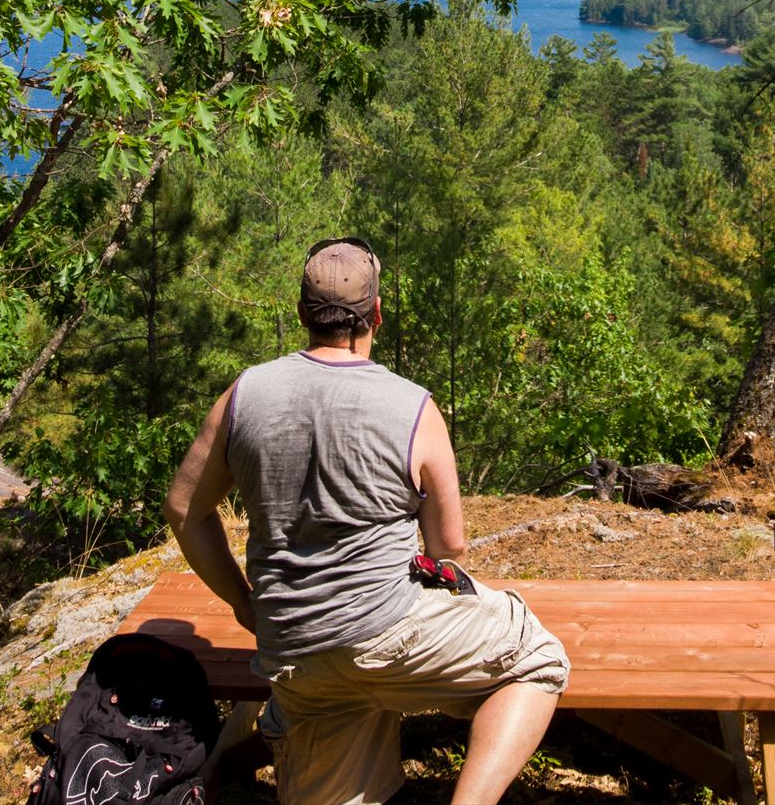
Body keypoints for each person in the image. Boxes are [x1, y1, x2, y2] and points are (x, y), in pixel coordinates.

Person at [163, 237, 568, 805]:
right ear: (376, 313)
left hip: (293, 652)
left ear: (302, 313)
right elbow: (450, 547)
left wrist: (243, 602)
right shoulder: (412, 406)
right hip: (390, 634)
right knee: (537, 657)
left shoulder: (244, 394)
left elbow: (184, 509)